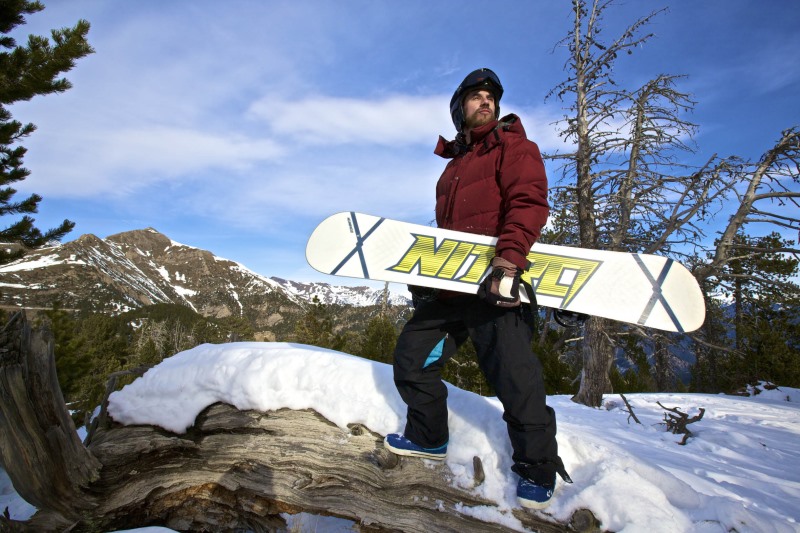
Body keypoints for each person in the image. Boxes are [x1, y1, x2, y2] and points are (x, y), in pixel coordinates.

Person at [384, 68, 572, 509]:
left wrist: (508, 262)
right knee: (412, 358)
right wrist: (429, 279)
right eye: (475, 96)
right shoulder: (452, 169)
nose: (484, 101)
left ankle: (536, 466)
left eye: (490, 96)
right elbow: (451, 232)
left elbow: (528, 202)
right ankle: (429, 438)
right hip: (452, 291)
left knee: (516, 379)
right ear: (459, 108)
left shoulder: (516, 148)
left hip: (496, 285)